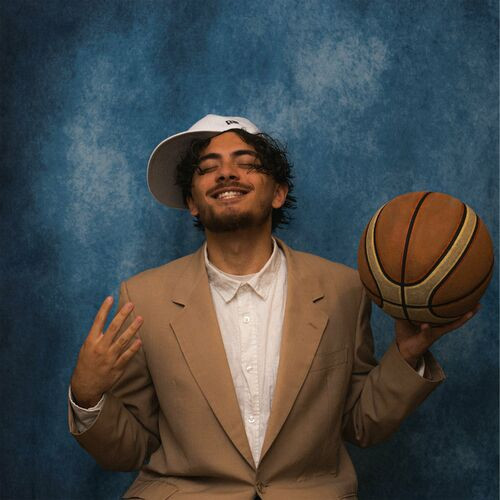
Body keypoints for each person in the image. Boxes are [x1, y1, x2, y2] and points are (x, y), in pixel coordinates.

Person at [68, 115, 477, 500]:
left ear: (278, 193)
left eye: (247, 163)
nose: (226, 173)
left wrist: (406, 354)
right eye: (207, 168)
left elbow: (360, 424)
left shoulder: (345, 290)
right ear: (192, 202)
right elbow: (131, 449)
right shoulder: (145, 298)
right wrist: (87, 397)